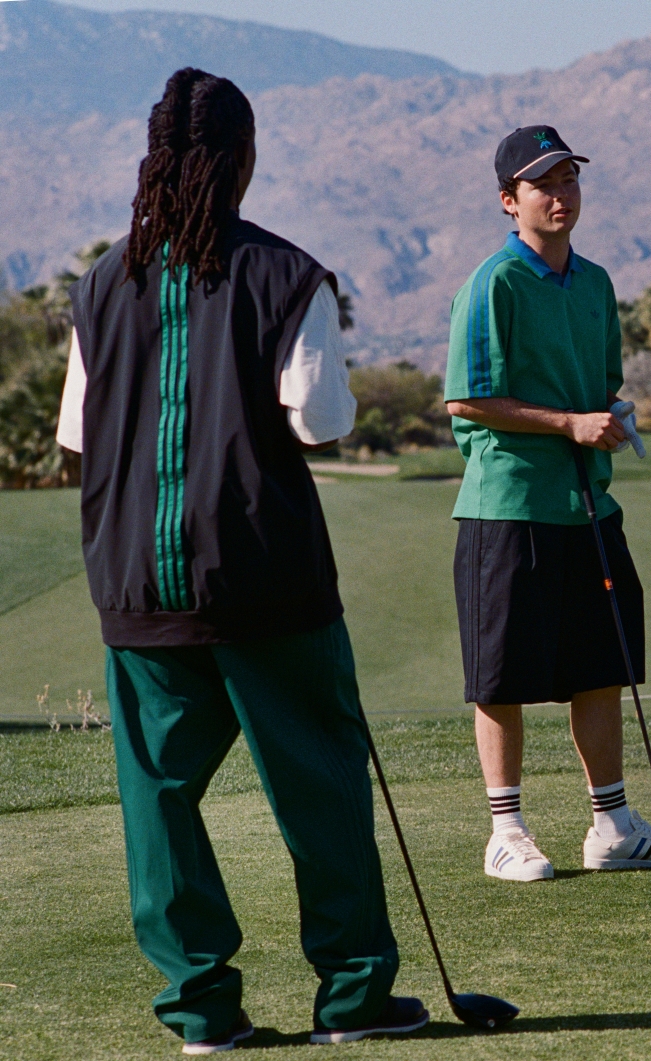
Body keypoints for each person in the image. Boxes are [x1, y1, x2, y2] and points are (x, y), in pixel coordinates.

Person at [57, 69, 425, 1052]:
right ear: (244, 158)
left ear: (152, 156)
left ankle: (199, 1009)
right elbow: (324, 421)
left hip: (135, 579)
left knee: (159, 796)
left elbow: (77, 434)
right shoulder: (287, 274)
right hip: (265, 575)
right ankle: (350, 996)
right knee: (319, 778)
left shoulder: (99, 283)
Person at [443, 125, 651, 883]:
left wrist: (610, 417)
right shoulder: (493, 283)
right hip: (507, 506)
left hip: (586, 506)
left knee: (599, 664)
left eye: (569, 179)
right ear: (509, 200)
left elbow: (598, 387)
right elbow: (466, 398)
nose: (560, 194)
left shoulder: (596, 282)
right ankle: (505, 828)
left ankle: (610, 822)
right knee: (502, 673)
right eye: (542, 183)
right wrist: (569, 424)